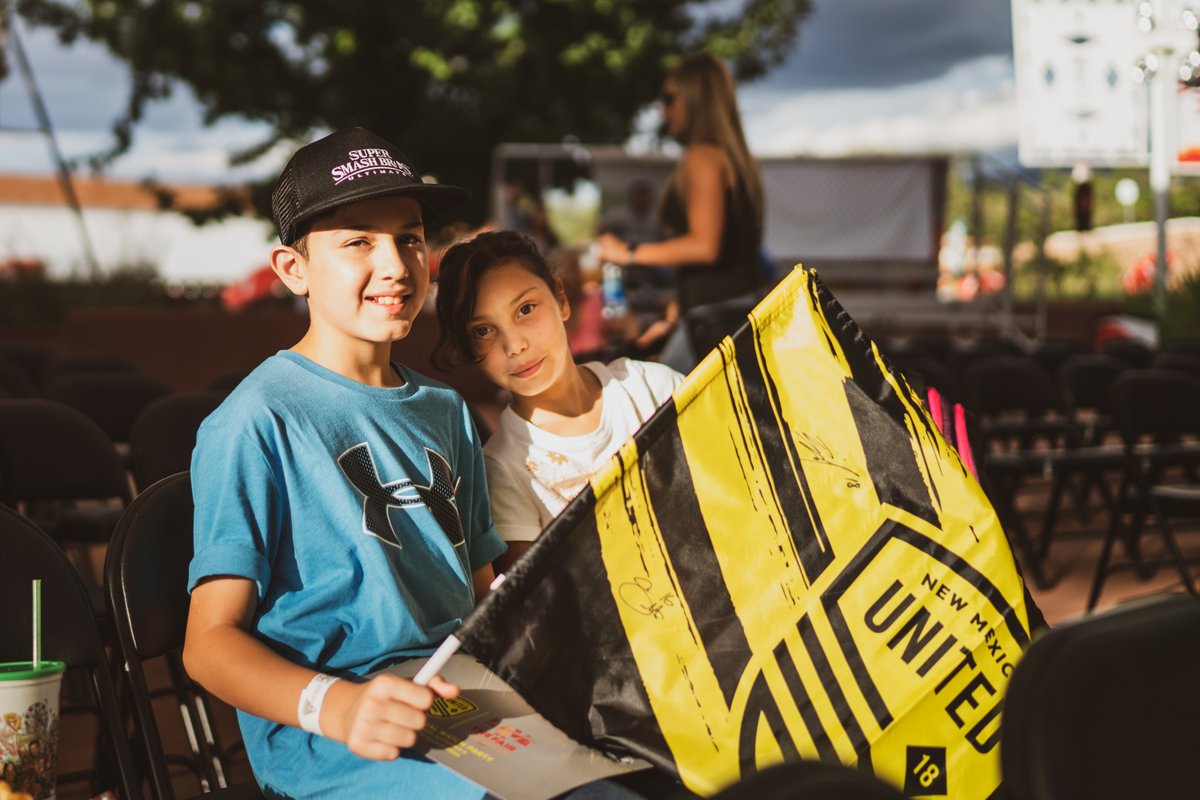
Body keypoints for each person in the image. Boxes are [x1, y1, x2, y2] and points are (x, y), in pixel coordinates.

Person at [182, 127, 508, 798]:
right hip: (336, 734)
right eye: (358, 240)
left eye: (411, 238)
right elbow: (208, 643)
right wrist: (334, 705)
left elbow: (478, 597)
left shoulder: (447, 411)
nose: (395, 265)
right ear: (292, 270)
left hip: (458, 703)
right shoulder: (256, 420)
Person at [432, 230, 685, 574]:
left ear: (562, 299)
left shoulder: (652, 388)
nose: (515, 345)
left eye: (525, 309)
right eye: (483, 330)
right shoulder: (502, 471)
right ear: (467, 347)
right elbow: (546, 601)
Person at [597, 53, 766, 367]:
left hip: (713, 320)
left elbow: (704, 247)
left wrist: (626, 252)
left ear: (695, 99)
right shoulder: (734, 159)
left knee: (664, 406)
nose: (663, 108)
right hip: (731, 313)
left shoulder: (703, 157)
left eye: (669, 98)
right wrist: (677, 313)